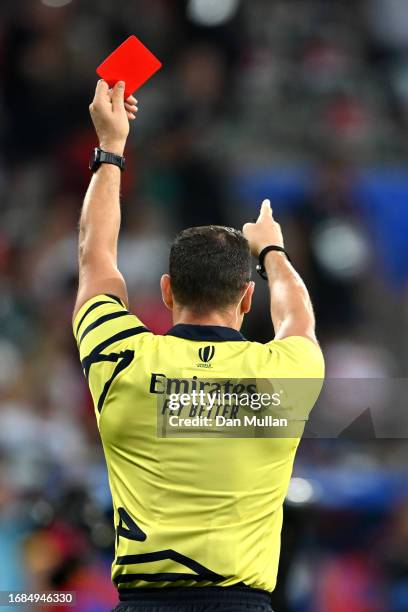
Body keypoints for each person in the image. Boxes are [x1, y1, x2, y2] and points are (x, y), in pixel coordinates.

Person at [72, 80, 324, 612]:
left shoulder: (123, 360)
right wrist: (272, 248)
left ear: (165, 291)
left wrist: (111, 147)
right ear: (247, 299)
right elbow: (297, 315)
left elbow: (96, 258)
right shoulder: (285, 371)